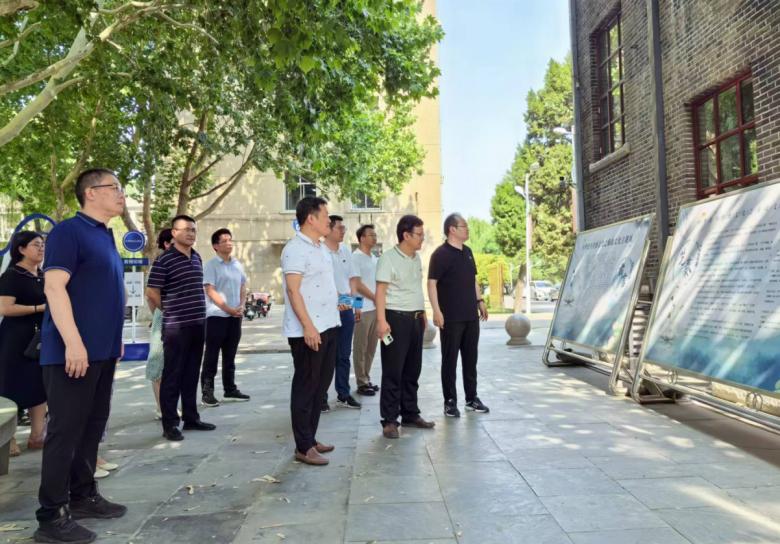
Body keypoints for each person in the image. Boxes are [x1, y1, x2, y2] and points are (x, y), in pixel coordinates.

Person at [35, 168, 127, 544]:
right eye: (115, 187)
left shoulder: (105, 235)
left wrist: (115, 340)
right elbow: (54, 288)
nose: (122, 194)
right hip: (71, 354)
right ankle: (51, 517)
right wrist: (73, 343)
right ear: (91, 192)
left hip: (102, 352)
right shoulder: (68, 232)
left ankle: (83, 495)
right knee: (65, 431)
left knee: (92, 426)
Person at [146, 215, 216, 442]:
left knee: (191, 373)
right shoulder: (164, 260)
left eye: (193, 230)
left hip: (198, 323)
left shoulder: (196, 257)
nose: (191, 233)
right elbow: (152, 291)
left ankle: (191, 418)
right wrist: (169, 310)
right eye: (186, 229)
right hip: (176, 327)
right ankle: (170, 424)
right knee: (172, 375)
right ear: (174, 233)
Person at [281, 196, 339, 466]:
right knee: (306, 387)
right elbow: (294, 291)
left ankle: (311, 438)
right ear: (311, 219)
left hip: (328, 325)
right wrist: (308, 326)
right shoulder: (295, 249)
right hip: (309, 330)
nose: (329, 220)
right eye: (325, 216)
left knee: (320, 386)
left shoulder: (320, 247)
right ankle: (303, 447)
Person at [375, 215, 435, 439]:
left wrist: (423, 313)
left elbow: (415, 288)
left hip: (415, 319)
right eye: (419, 235)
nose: (422, 238)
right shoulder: (388, 258)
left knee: (412, 369)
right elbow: (380, 292)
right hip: (395, 318)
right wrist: (381, 321)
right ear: (406, 235)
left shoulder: (416, 258)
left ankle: (410, 413)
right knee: (393, 371)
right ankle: (390, 420)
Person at [428, 214, 490, 418]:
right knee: (450, 360)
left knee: (471, 359)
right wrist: (436, 311)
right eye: (464, 226)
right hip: (450, 318)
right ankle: (450, 401)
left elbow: (473, 279)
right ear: (452, 229)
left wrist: (480, 301)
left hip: (470, 316)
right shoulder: (440, 254)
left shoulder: (468, 252)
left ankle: (471, 399)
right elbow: (432, 284)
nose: (468, 229)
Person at [0, 231, 47, 457]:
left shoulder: (44, 275)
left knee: (39, 385)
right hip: (15, 339)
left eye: (43, 245)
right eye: (36, 245)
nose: (41, 248)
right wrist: (38, 308)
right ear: (21, 249)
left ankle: (37, 435)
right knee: (11, 387)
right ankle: (8, 439)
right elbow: (5, 308)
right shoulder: (12, 276)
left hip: (40, 339)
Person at [201, 228, 250, 406]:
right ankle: (207, 393)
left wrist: (241, 305)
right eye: (224, 241)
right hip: (216, 316)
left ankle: (230, 390)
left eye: (230, 240)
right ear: (215, 246)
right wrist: (228, 309)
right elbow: (210, 291)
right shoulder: (211, 265)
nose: (229, 243)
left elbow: (243, 286)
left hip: (235, 317)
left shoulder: (237, 264)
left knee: (230, 356)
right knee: (212, 356)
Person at [322, 215, 361, 411]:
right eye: (340, 228)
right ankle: (320, 397)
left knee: (344, 355)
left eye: (344, 228)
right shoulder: (320, 252)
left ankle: (343, 394)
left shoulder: (345, 250)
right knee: (325, 356)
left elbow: (353, 279)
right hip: (327, 311)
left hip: (346, 311)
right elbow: (324, 283)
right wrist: (342, 300)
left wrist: (357, 305)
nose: (343, 231)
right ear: (328, 229)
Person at [145, 228, 173, 420]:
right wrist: (162, 312)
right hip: (164, 319)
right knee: (158, 366)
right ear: (166, 244)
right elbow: (150, 295)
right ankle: (162, 408)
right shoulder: (161, 264)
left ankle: (170, 406)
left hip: (181, 320)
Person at [351, 224, 380, 396]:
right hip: (363, 309)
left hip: (376, 309)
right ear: (362, 238)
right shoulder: (355, 257)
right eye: (371, 235)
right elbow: (356, 284)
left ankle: (366, 378)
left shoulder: (374, 258)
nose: (374, 238)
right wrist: (359, 305)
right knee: (360, 347)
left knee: (371, 347)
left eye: (375, 235)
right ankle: (361, 382)